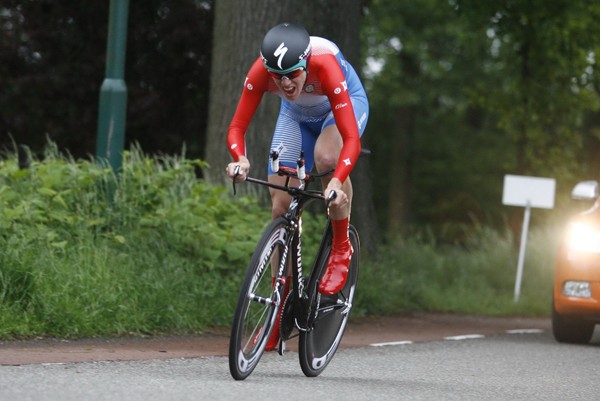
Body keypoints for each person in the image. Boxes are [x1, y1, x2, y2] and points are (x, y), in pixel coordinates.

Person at [225, 22, 369, 350]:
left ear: (306, 64)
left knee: (326, 157)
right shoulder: (262, 72)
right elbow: (237, 127)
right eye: (279, 76)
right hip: (295, 117)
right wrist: (240, 159)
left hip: (341, 108)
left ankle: (341, 244)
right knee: (279, 206)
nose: (286, 82)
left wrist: (334, 179)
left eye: (293, 74)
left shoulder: (326, 66)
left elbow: (350, 140)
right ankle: (281, 304)